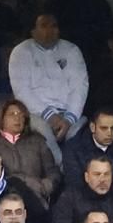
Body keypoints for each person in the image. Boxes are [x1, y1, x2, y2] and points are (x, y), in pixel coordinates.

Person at [10, 13, 88, 166]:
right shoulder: (21, 52)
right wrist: (50, 116)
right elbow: (22, 92)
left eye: (54, 26)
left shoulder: (71, 50)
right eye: (44, 26)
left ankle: (71, 169)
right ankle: (60, 167)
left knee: (78, 134)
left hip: (68, 114)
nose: (50, 30)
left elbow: (80, 87)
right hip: (36, 114)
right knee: (44, 133)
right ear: (33, 31)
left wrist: (69, 118)